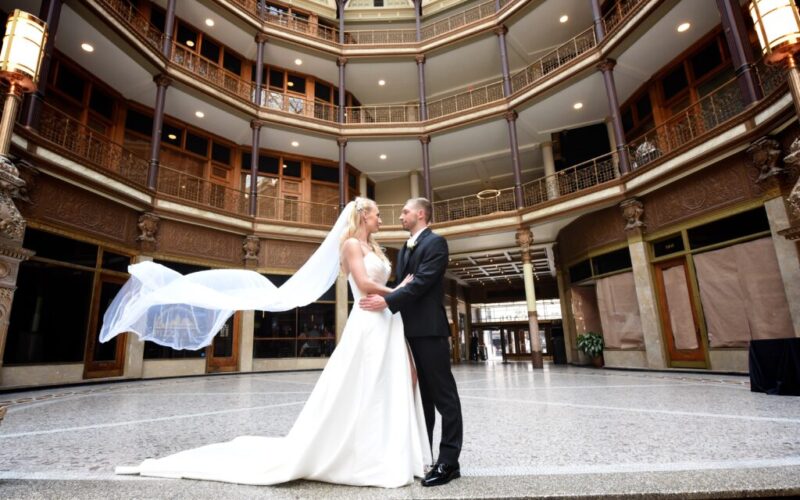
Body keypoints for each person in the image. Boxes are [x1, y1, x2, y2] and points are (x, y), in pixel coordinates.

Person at [111, 198, 431, 487]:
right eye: (376, 215)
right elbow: (363, 284)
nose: (381, 220)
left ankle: (388, 446)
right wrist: (402, 290)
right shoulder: (350, 245)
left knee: (396, 380)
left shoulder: (376, 249)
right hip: (368, 320)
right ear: (363, 216)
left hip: (387, 319)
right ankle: (363, 451)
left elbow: (379, 282)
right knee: (365, 384)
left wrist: (396, 292)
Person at [359, 197, 463, 487]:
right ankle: (425, 455)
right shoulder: (405, 247)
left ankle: (449, 462)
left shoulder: (436, 243)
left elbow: (422, 282)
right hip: (405, 331)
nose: (400, 215)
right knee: (422, 398)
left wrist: (387, 301)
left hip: (430, 330)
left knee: (444, 396)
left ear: (420, 213)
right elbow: (405, 281)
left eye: (404, 211)